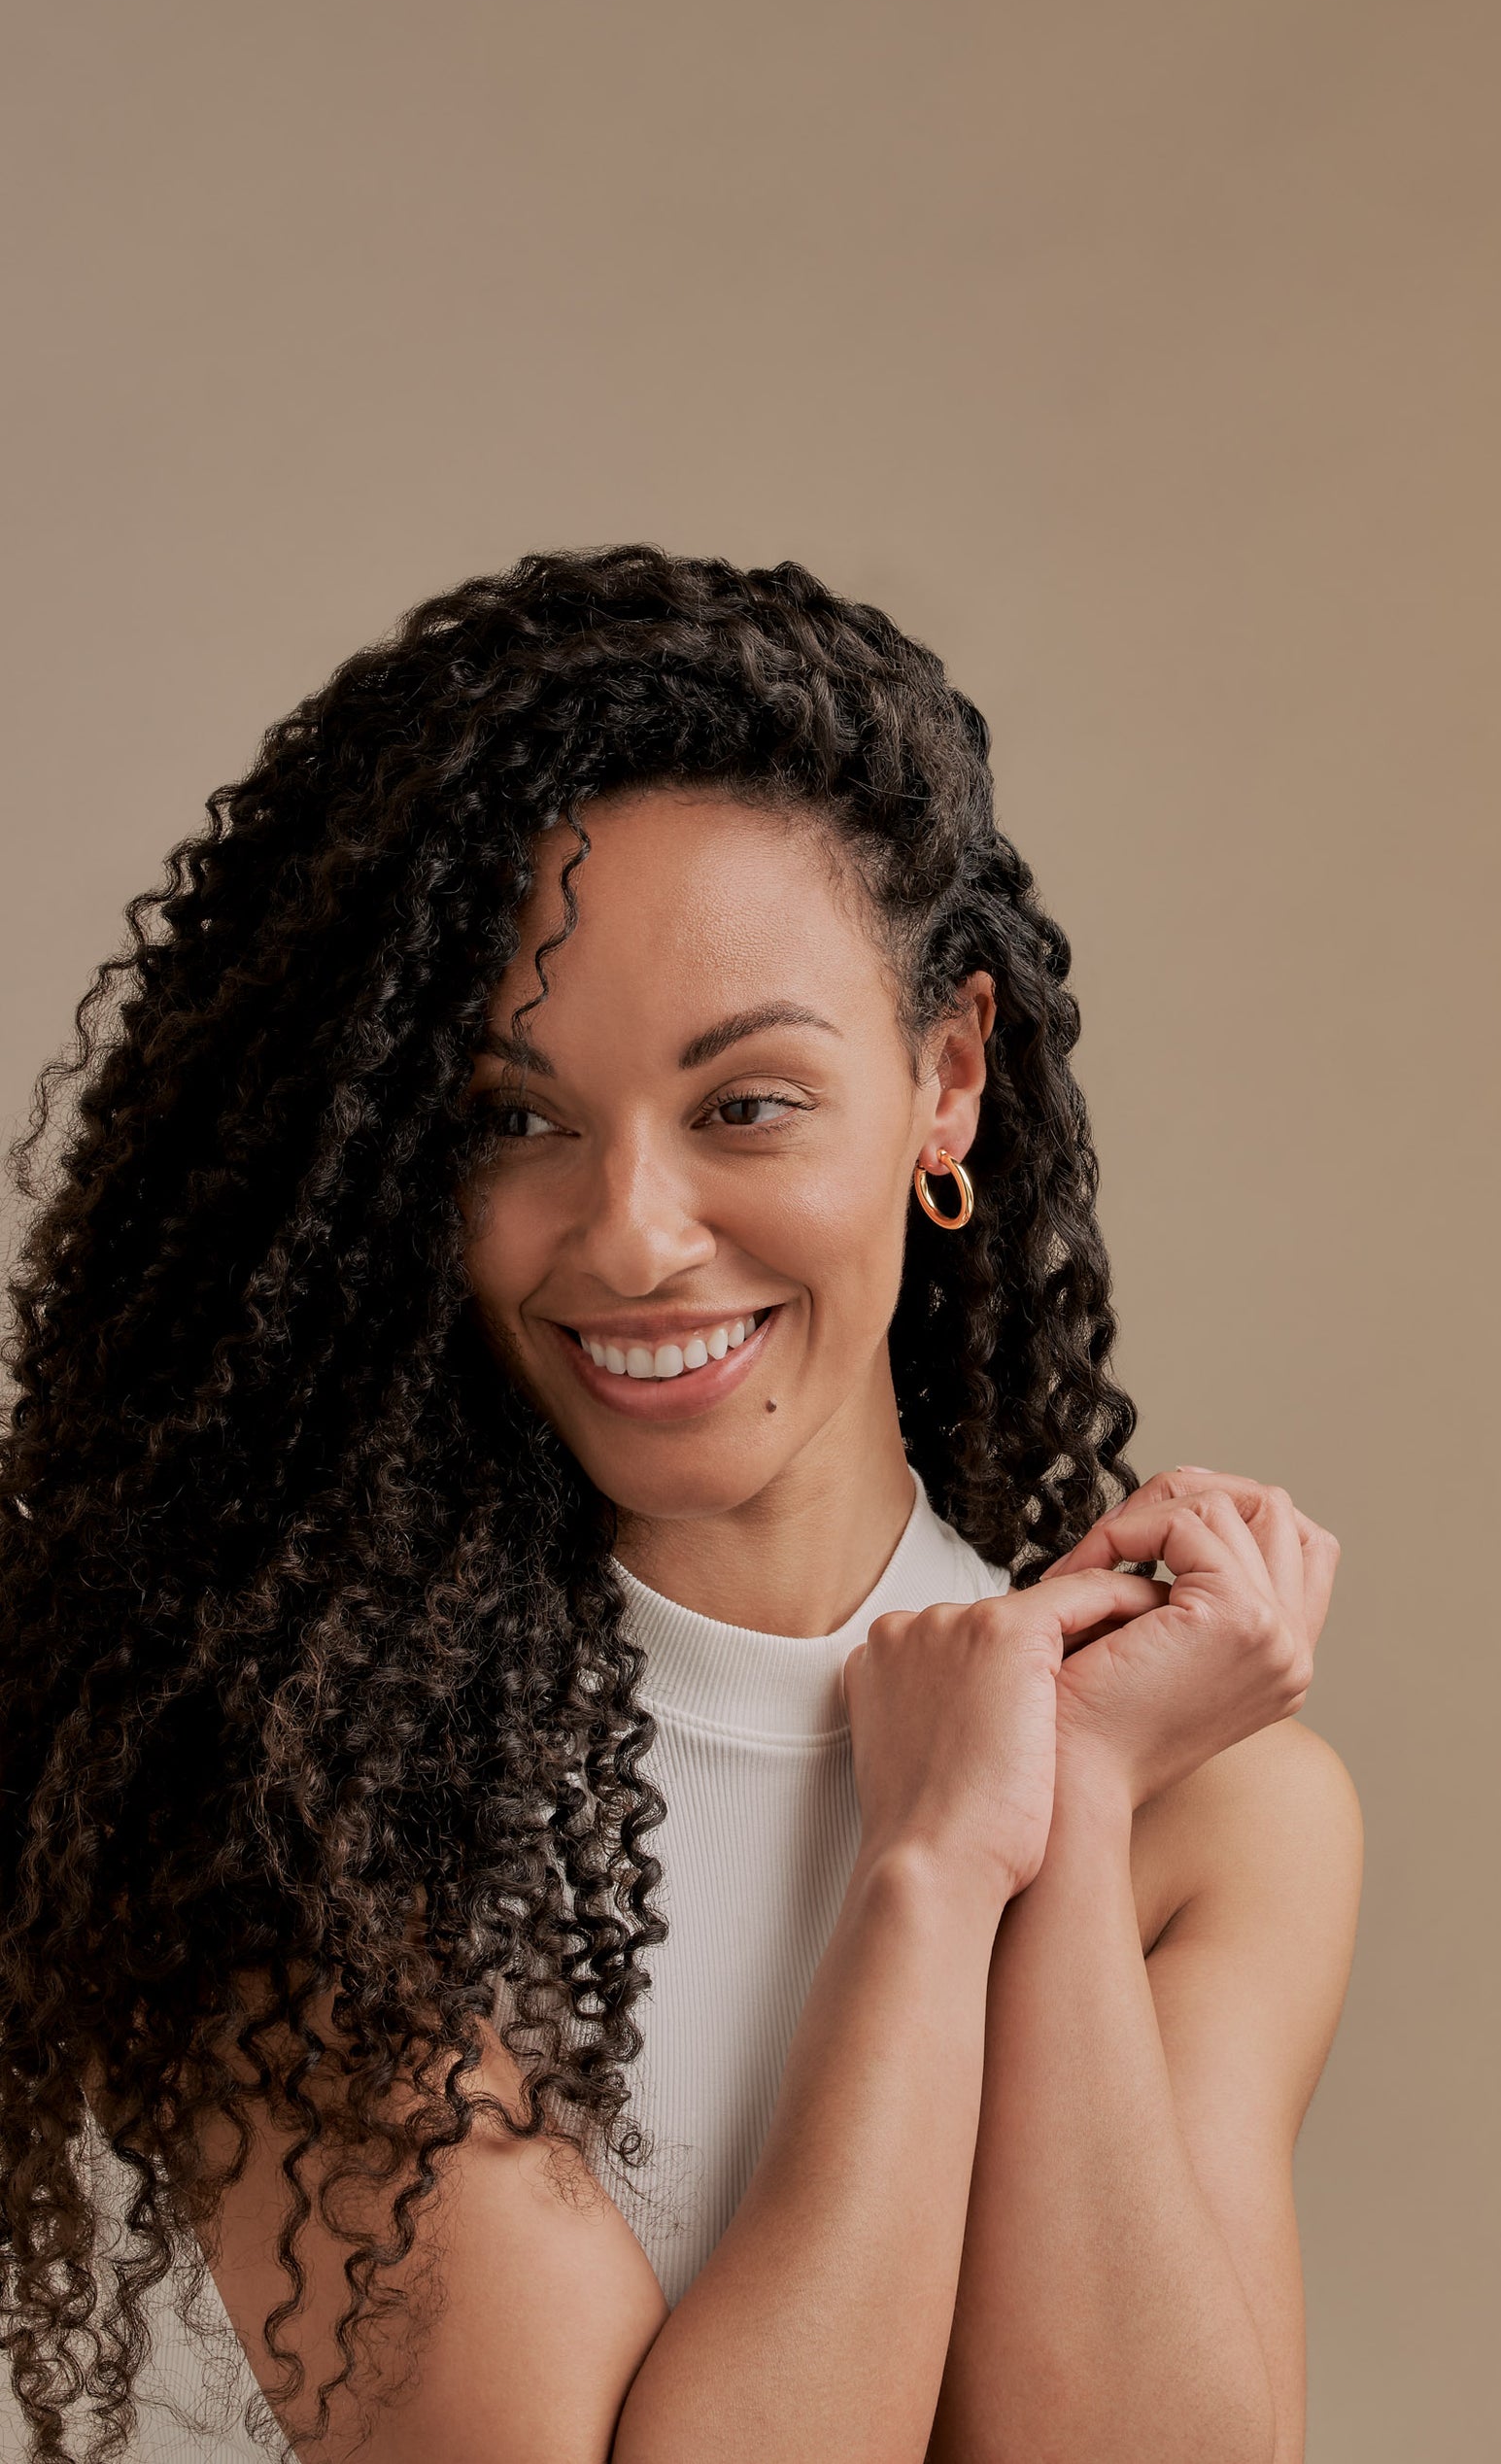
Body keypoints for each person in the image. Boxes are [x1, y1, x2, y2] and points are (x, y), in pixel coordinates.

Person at [0, 547, 1361, 2464]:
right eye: (514, 1119)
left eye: (745, 1105)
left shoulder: (1210, 1800)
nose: (633, 1234)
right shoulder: (291, 1783)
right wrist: (926, 1873)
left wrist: (1068, 1817)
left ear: (946, 1078)